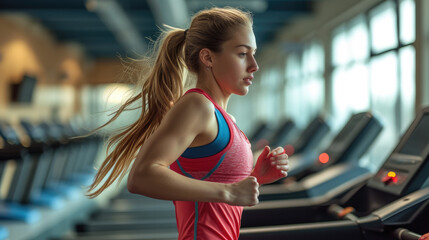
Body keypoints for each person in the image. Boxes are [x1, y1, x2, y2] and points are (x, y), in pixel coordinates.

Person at [87, 7, 289, 240]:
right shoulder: (197, 106)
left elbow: (216, 201)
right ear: (208, 58)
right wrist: (230, 192)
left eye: (253, 53)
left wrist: (257, 177)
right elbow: (141, 176)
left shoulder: (223, 117)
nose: (254, 65)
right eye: (243, 54)